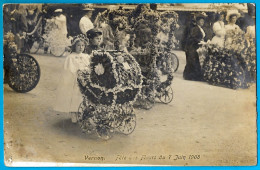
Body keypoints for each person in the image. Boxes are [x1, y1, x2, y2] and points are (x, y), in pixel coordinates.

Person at [53, 35, 90, 123]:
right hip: (75, 80)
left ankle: (80, 112)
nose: (81, 47)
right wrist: (78, 73)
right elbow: (69, 69)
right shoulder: (71, 57)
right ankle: (73, 113)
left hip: (85, 79)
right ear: (74, 46)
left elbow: (89, 66)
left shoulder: (86, 56)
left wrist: (87, 71)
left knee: (82, 97)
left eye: (82, 45)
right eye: (78, 45)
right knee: (74, 96)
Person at [183, 13, 207, 81]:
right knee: (193, 61)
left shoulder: (200, 28)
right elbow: (193, 38)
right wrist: (200, 41)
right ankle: (190, 76)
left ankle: (195, 76)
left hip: (197, 46)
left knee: (197, 61)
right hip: (193, 46)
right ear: (198, 21)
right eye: (201, 21)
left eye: (203, 21)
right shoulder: (195, 28)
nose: (202, 22)